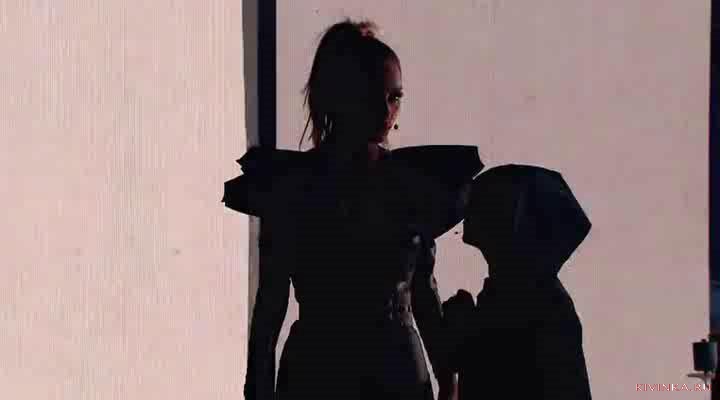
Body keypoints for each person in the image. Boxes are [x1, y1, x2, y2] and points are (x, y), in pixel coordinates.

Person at [222, 19, 482, 400]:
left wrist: (448, 377)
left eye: (394, 97)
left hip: (382, 373)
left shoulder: (408, 183)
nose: (386, 110)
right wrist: (258, 388)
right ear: (342, 95)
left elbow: (423, 291)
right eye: (372, 94)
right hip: (328, 371)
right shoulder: (293, 185)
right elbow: (270, 306)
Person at [442, 165, 593, 400]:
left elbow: (500, 374)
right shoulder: (521, 292)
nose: (468, 208)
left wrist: (465, 334)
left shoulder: (539, 303)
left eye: (486, 201)